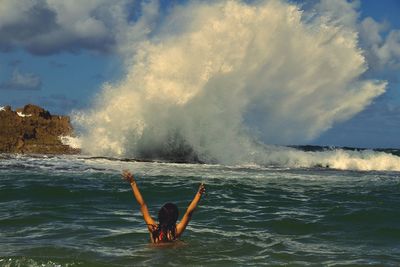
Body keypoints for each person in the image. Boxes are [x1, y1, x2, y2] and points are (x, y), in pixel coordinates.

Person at [122, 170, 206, 244]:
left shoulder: (153, 228)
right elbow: (189, 213)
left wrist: (132, 182)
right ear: (175, 217)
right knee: (181, 244)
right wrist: (199, 194)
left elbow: (142, 205)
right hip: (171, 256)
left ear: (160, 215)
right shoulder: (175, 232)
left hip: (153, 255)